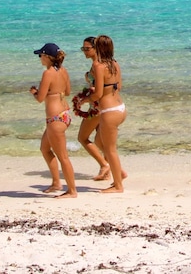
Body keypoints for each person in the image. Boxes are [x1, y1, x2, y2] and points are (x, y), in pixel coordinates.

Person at [30, 42, 77, 198]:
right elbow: (68, 92)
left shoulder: (48, 73)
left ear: (47, 57)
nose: (39, 58)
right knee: (45, 149)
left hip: (55, 118)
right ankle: (57, 183)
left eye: (40, 55)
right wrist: (56, 92)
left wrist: (34, 92)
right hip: (64, 114)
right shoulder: (63, 71)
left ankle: (72, 191)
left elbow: (40, 98)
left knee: (63, 157)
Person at [87, 35, 126, 193]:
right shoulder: (114, 64)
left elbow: (98, 94)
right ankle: (120, 174)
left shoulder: (98, 65)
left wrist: (84, 100)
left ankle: (118, 186)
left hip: (109, 111)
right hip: (120, 107)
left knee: (110, 149)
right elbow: (119, 86)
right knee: (99, 141)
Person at [72, 36, 110, 181]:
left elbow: (98, 90)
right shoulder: (106, 63)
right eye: (83, 49)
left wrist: (84, 99)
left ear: (96, 48)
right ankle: (108, 172)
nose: (84, 52)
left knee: (82, 137)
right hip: (105, 106)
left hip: (96, 106)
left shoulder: (97, 65)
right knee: (102, 141)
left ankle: (104, 164)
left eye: (87, 49)